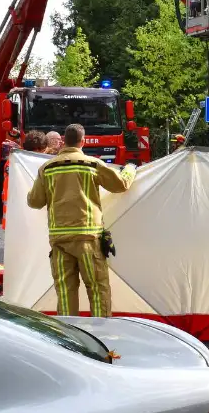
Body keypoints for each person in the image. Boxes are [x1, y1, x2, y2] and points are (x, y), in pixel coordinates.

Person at [27, 123, 137, 317]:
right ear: (83, 141)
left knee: (65, 293)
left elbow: (34, 202)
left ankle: (70, 340)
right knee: (97, 289)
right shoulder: (92, 164)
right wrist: (130, 169)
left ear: (63, 141)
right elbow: (121, 185)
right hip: (88, 239)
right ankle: (100, 335)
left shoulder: (47, 168)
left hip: (59, 241)